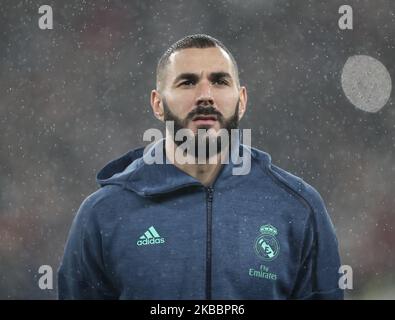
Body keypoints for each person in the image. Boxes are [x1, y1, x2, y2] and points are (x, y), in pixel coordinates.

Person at [58, 34, 344, 299]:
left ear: (241, 100)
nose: (205, 95)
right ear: (158, 104)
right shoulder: (104, 214)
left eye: (220, 81)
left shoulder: (297, 207)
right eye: (187, 82)